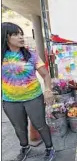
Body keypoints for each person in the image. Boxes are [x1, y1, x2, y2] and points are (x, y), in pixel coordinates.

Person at [1, 22, 56, 161]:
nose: (21, 37)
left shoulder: (31, 55)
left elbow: (46, 75)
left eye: (21, 34)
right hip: (10, 100)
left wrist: (48, 90)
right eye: (15, 34)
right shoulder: (2, 57)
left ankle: (50, 148)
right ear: (5, 37)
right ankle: (25, 147)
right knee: (19, 127)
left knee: (40, 125)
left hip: (33, 98)